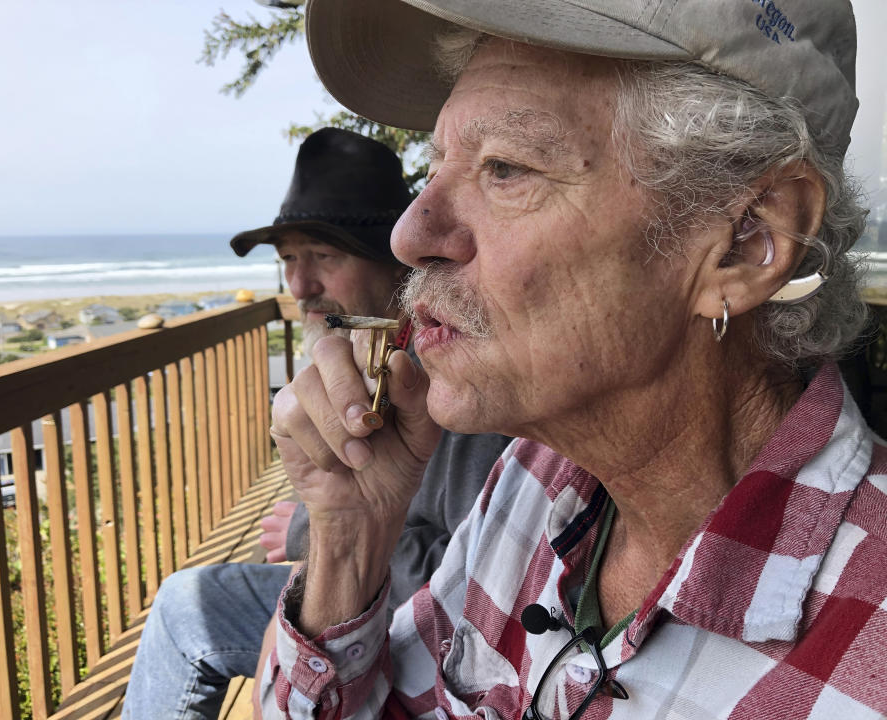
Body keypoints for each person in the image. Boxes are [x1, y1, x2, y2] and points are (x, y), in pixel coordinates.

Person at [261, 1, 887, 719]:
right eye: (437, 167)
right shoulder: (536, 479)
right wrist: (351, 536)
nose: (411, 233)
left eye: (505, 168)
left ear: (746, 244)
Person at [121, 128, 511, 719]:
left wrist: (313, 533)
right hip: (348, 601)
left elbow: (484, 579)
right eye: (288, 261)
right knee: (183, 603)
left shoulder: (456, 383)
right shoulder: (361, 362)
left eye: (324, 257)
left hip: (416, 638)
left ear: (396, 262)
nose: (299, 286)